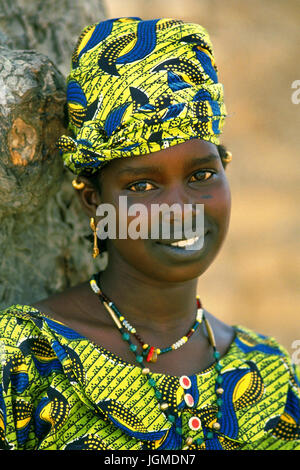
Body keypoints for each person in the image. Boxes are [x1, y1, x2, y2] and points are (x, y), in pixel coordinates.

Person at [0, 17, 299, 451]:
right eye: (142, 185)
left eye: (201, 174)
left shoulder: (272, 375)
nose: (180, 208)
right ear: (93, 201)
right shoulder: (25, 362)